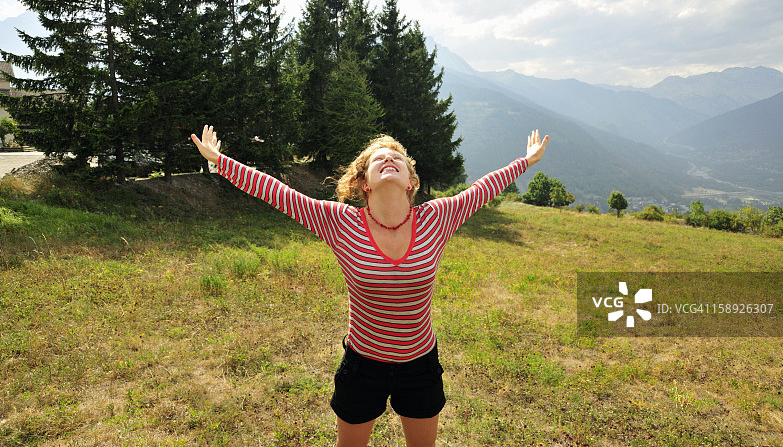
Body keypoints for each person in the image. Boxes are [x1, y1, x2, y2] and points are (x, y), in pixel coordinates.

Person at [191, 126, 549, 447]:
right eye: (380, 159)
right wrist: (219, 162)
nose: (389, 160)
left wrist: (526, 161)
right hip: (363, 365)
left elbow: (484, 187)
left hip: (420, 364)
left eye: (397, 159)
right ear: (365, 182)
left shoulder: (437, 217)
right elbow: (279, 193)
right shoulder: (340, 221)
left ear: (410, 180)